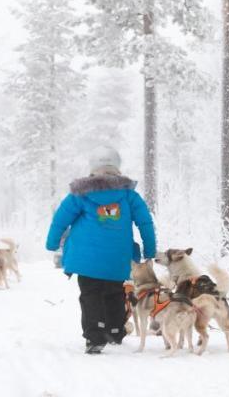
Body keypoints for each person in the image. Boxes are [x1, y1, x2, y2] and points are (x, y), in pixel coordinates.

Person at [46, 146, 156, 354]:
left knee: (90, 295)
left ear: (93, 168)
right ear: (117, 167)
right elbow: (145, 223)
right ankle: (115, 331)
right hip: (118, 258)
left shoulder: (79, 195)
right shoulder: (129, 196)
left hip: (85, 260)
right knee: (114, 293)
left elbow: (60, 220)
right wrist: (149, 250)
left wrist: (52, 243)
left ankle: (95, 337)